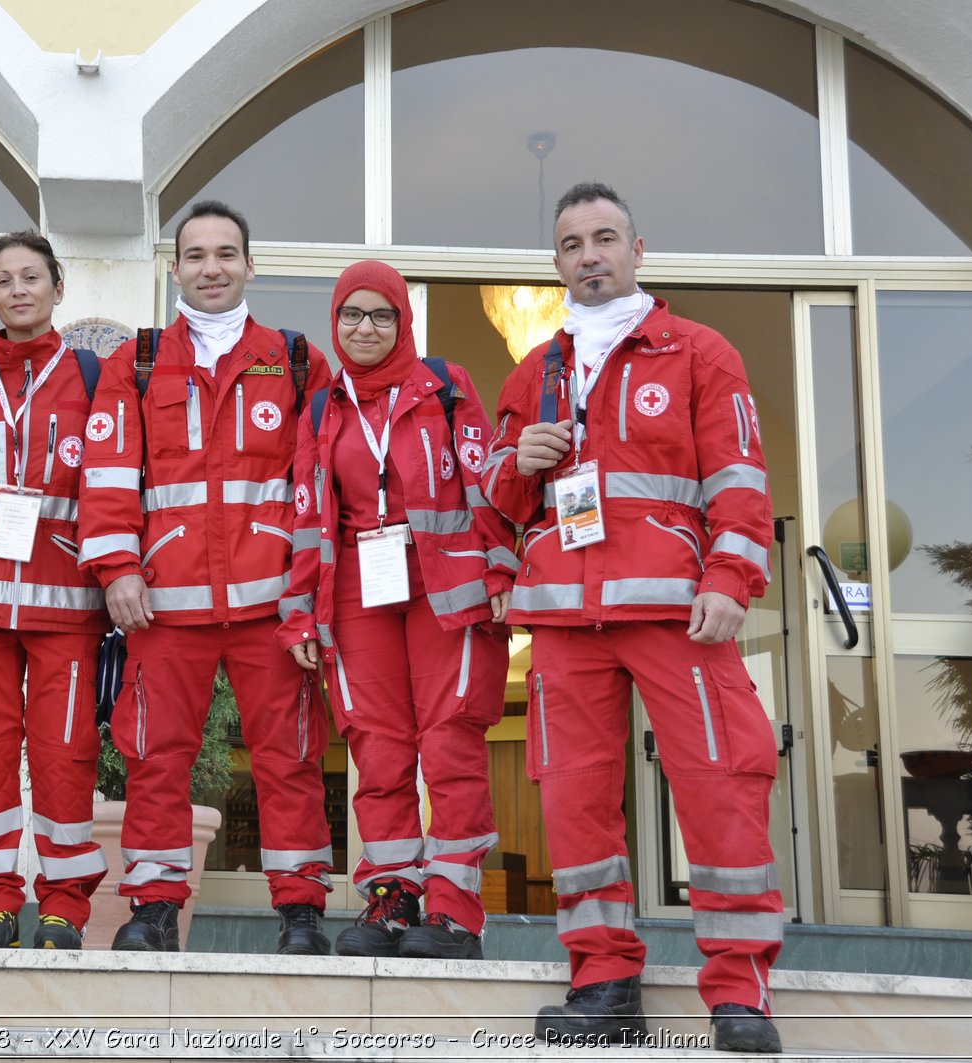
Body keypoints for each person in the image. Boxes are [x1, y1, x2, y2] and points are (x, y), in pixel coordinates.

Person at [483, 182, 782, 1054]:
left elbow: (739, 478)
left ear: (638, 249)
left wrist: (731, 576)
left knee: (721, 781)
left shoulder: (699, 351)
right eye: (572, 243)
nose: (589, 255)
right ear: (556, 264)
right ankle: (603, 979)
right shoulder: (534, 369)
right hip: (565, 620)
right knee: (573, 802)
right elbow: (498, 508)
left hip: (676, 609)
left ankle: (740, 990)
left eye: (604, 238)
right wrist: (516, 464)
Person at [77, 200, 335, 954]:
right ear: (176, 267)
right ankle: (154, 906)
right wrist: (117, 567)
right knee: (156, 757)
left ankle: (301, 910)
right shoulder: (141, 359)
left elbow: (317, 485)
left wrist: (309, 593)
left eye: (226, 253)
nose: (211, 267)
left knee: (288, 757)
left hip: (270, 607)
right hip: (166, 606)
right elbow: (108, 472)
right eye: (196, 255)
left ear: (250, 265)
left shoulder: (294, 359)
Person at [278, 260, 516, 960]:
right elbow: (303, 514)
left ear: (404, 321)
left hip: (449, 586)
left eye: (381, 314)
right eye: (351, 314)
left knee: (450, 742)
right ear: (334, 321)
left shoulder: (445, 387)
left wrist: (501, 562)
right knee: (376, 745)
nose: (365, 328)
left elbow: (485, 481)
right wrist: (299, 611)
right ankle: (392, 894)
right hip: (357, 591)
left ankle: (454, 908)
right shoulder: (321, 406)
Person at [0, 231, 109, 950]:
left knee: (64, 752)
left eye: (31, 277)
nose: (18, 289)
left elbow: (112, 484)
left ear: (57, 287)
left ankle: (66, 901)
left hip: (66, 602)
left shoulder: (97, 377)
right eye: (3, 279)